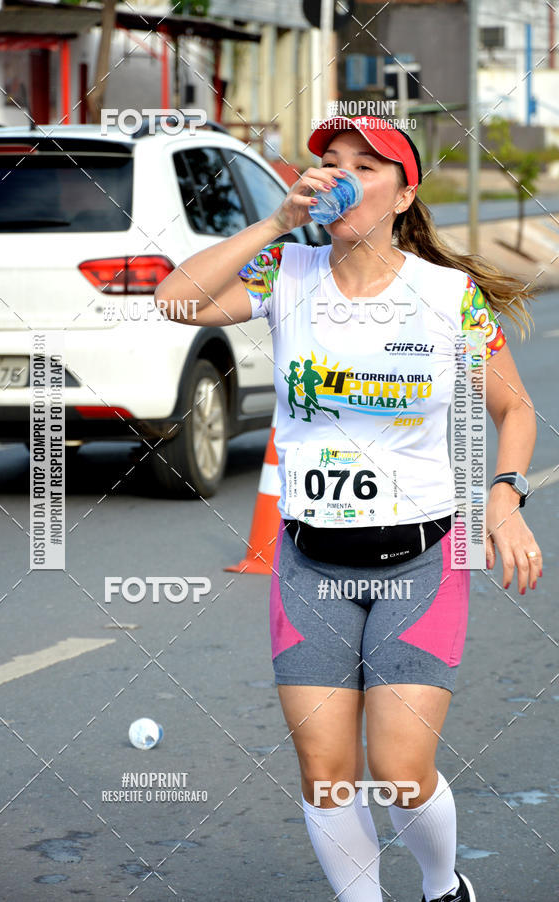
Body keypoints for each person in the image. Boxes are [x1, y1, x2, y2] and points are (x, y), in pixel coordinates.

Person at [154, 115, 542, 902]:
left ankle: (442, 887)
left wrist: (505, 496)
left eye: (367, 166)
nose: (340, 175)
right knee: (327, 775)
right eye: (330, 161)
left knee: (399, 774)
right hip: (309, 562)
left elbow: (516, 410)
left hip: (421, 561)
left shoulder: (447, 296)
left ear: (404, 194)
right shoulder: (285, 274)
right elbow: (174, 301)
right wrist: (274, 221)